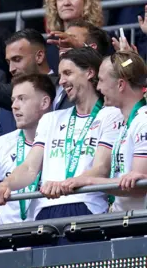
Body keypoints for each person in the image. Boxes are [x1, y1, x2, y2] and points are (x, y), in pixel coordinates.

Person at [0, 48, 124, 220]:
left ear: (89, 72)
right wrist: (5, 185)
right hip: (45, 209)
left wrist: (66, 184)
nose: (62, 81)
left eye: (68, 73)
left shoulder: (111, 115)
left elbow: (101, 169)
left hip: (87, 206)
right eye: (60, 75)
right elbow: (29, 168)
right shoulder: (50, 119)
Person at [58, 51, 147, 211]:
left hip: (140, 226)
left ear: (120, 85)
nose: (98, 87)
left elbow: (138, 188)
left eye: (101, 80)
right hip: (126, 223)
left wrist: (89, 181)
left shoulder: (143, 122)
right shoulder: (127, 123)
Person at [0, 74, 55, 224]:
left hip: (48, 237)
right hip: (8, 241)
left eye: (22, 98)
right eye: (13, 100)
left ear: (44, 102)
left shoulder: (64, 142)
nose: (14, 106)